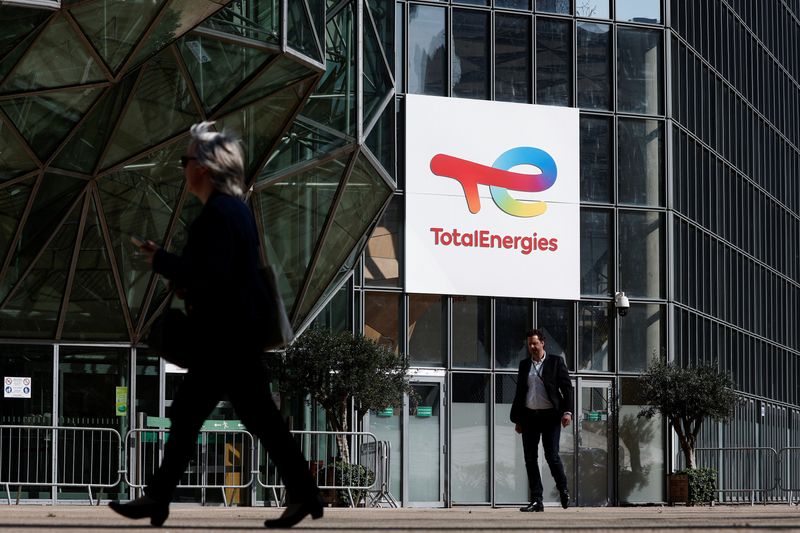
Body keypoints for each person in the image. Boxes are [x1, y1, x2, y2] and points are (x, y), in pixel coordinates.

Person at [109, 122, 322, 529]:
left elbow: (211, 274)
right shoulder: (232, 211)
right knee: (240, 417)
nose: (182, 167)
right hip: (232, 336)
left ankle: (158, 498)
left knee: (208, 415)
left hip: (225, 337)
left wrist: (163, 262)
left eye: (185, 160)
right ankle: (301, 491)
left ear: (204, 167)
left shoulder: (220, 213)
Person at [510, 328, 573, 512]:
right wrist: (518, 419)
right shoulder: (524, 365)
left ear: (543, 343)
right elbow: (521, 393)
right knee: (530, 458)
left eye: (535, 343)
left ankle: (563, 489)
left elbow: (567, 389)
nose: (532, 347)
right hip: (529, 416)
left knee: (551, 456)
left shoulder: (555, 362)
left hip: (550, 416)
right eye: (529, 344)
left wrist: (567, 412)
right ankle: (537, 499)